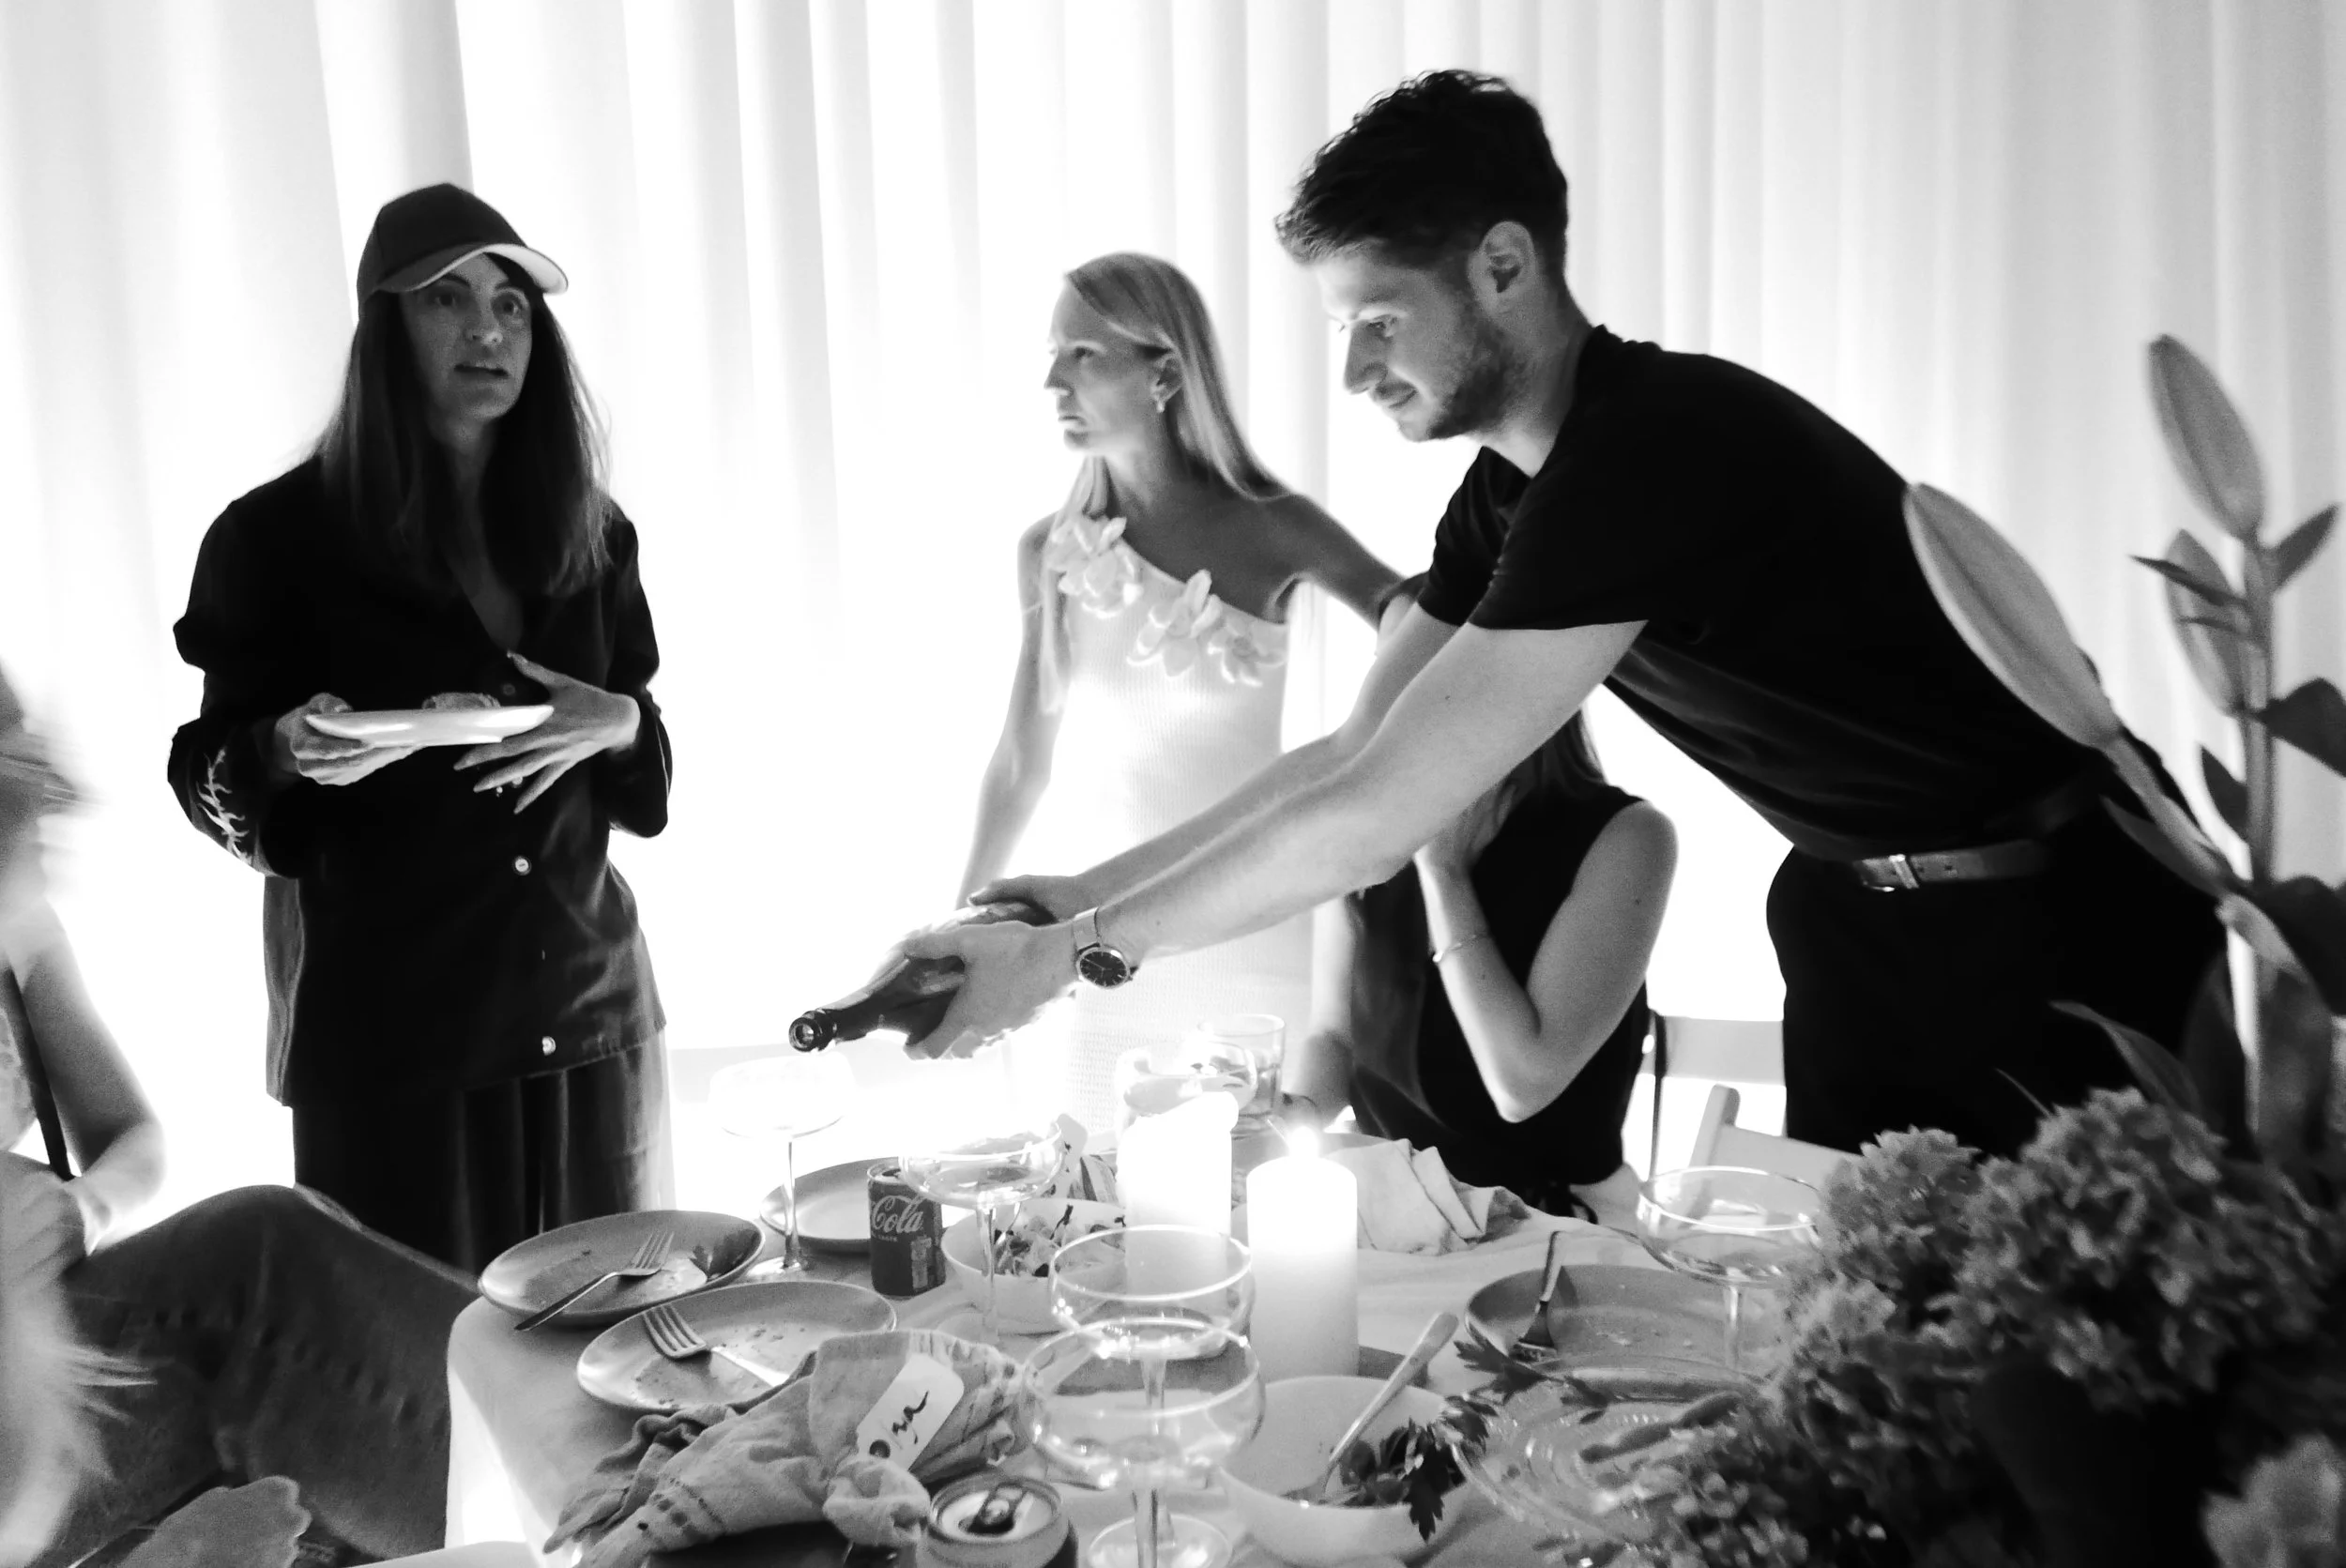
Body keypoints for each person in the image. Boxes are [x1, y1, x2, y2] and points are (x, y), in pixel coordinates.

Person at [903, 71, 2222, 1160]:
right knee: (1866, 1353)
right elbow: (1353, 754)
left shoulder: (1648, 452)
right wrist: (1071, 898)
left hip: (2059, 911)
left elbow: (1380, 813)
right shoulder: (1505, 498)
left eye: (1380, 320)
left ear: (1502, 265)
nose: (1355, 370)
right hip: (1856, 918)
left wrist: (1075, 957)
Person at [167, 184, 674, 1270]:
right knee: (420, 1357)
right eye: (448, 298)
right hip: (395, 1047)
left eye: (512, 304)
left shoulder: (594, 532)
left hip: (590, 1017)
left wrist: (622, 723)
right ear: (385, 327)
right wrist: (280, 748)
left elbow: (644, 763)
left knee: (621, 1346)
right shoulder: (274, 540)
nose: (488, 330)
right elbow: (204, 767)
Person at [0, 667, 471, 1568]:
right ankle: (616, 1491)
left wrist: (77, 1208)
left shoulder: (19, 922)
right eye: (17, 756)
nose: (62, 787)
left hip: (45, 1321)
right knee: (257, 1276)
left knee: (301, 1302)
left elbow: (131, 1137)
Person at [957, 252, 1394, 1130]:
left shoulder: (1275, 525)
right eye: (1053, 353)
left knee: (1252, 1181)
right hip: (1098, 940)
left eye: (1084, 354)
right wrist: (960, 919)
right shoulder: (1050, 549)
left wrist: (1366, 761)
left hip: (1254, 935)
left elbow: (1419, 619)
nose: (1053, 381)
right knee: (1092, 1186)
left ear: (1163, 373)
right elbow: (1020, 761)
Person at [1286, 577, 1673, 1219]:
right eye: (1383, 667)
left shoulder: (1629, 837)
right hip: (1389, 1208)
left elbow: (1523, 1084)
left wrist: (1443, 871)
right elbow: (1334, 1035)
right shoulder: (1364, 827)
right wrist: (1287, 1117)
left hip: (1548, 1224)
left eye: (1418, 666)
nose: (1388, 696)